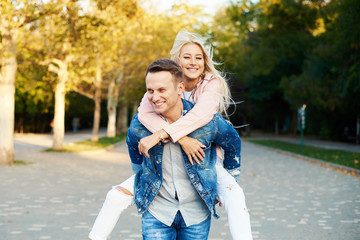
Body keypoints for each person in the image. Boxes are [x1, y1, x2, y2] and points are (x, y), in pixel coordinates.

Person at [88, 31, 252, 240]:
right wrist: (179, 140)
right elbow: (143, 116)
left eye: (198, 57)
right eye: (187, 57)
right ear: (176, 61)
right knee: (115, 196)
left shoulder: (211, 85)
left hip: (205, 162)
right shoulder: (159, 84)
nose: (193, 62)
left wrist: (232, 176)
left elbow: (202, 117)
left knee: (235, 194)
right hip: (162, 176)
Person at [131, 58, 241, 239]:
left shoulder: (206, 121)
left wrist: (227, 182)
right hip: (157, 212)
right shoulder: (140, 124)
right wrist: (141, 179)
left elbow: (233, 143)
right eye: (150, 90)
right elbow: (133, 149)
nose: (154, 97)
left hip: (195, 213)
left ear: (180, 89)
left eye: (161, 90)